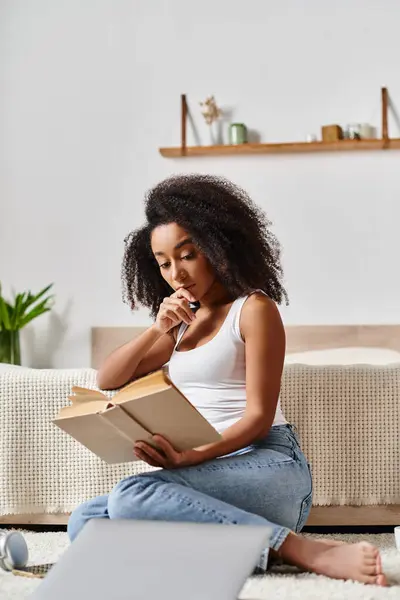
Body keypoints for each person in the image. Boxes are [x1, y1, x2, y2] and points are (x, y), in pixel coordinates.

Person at [68, 174, 386, 586]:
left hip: (269, 466)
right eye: (164, 263)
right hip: (209, 477)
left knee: (132, 496)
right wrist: (155, 329)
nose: (176, 274)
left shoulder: (253, 309)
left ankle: (302, 549)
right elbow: (109, 378)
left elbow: (258, 417)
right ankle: (231, 550)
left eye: (187, 255)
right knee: (86, 520)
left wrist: (191, 456)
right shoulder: (181, 325)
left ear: (216, 246)